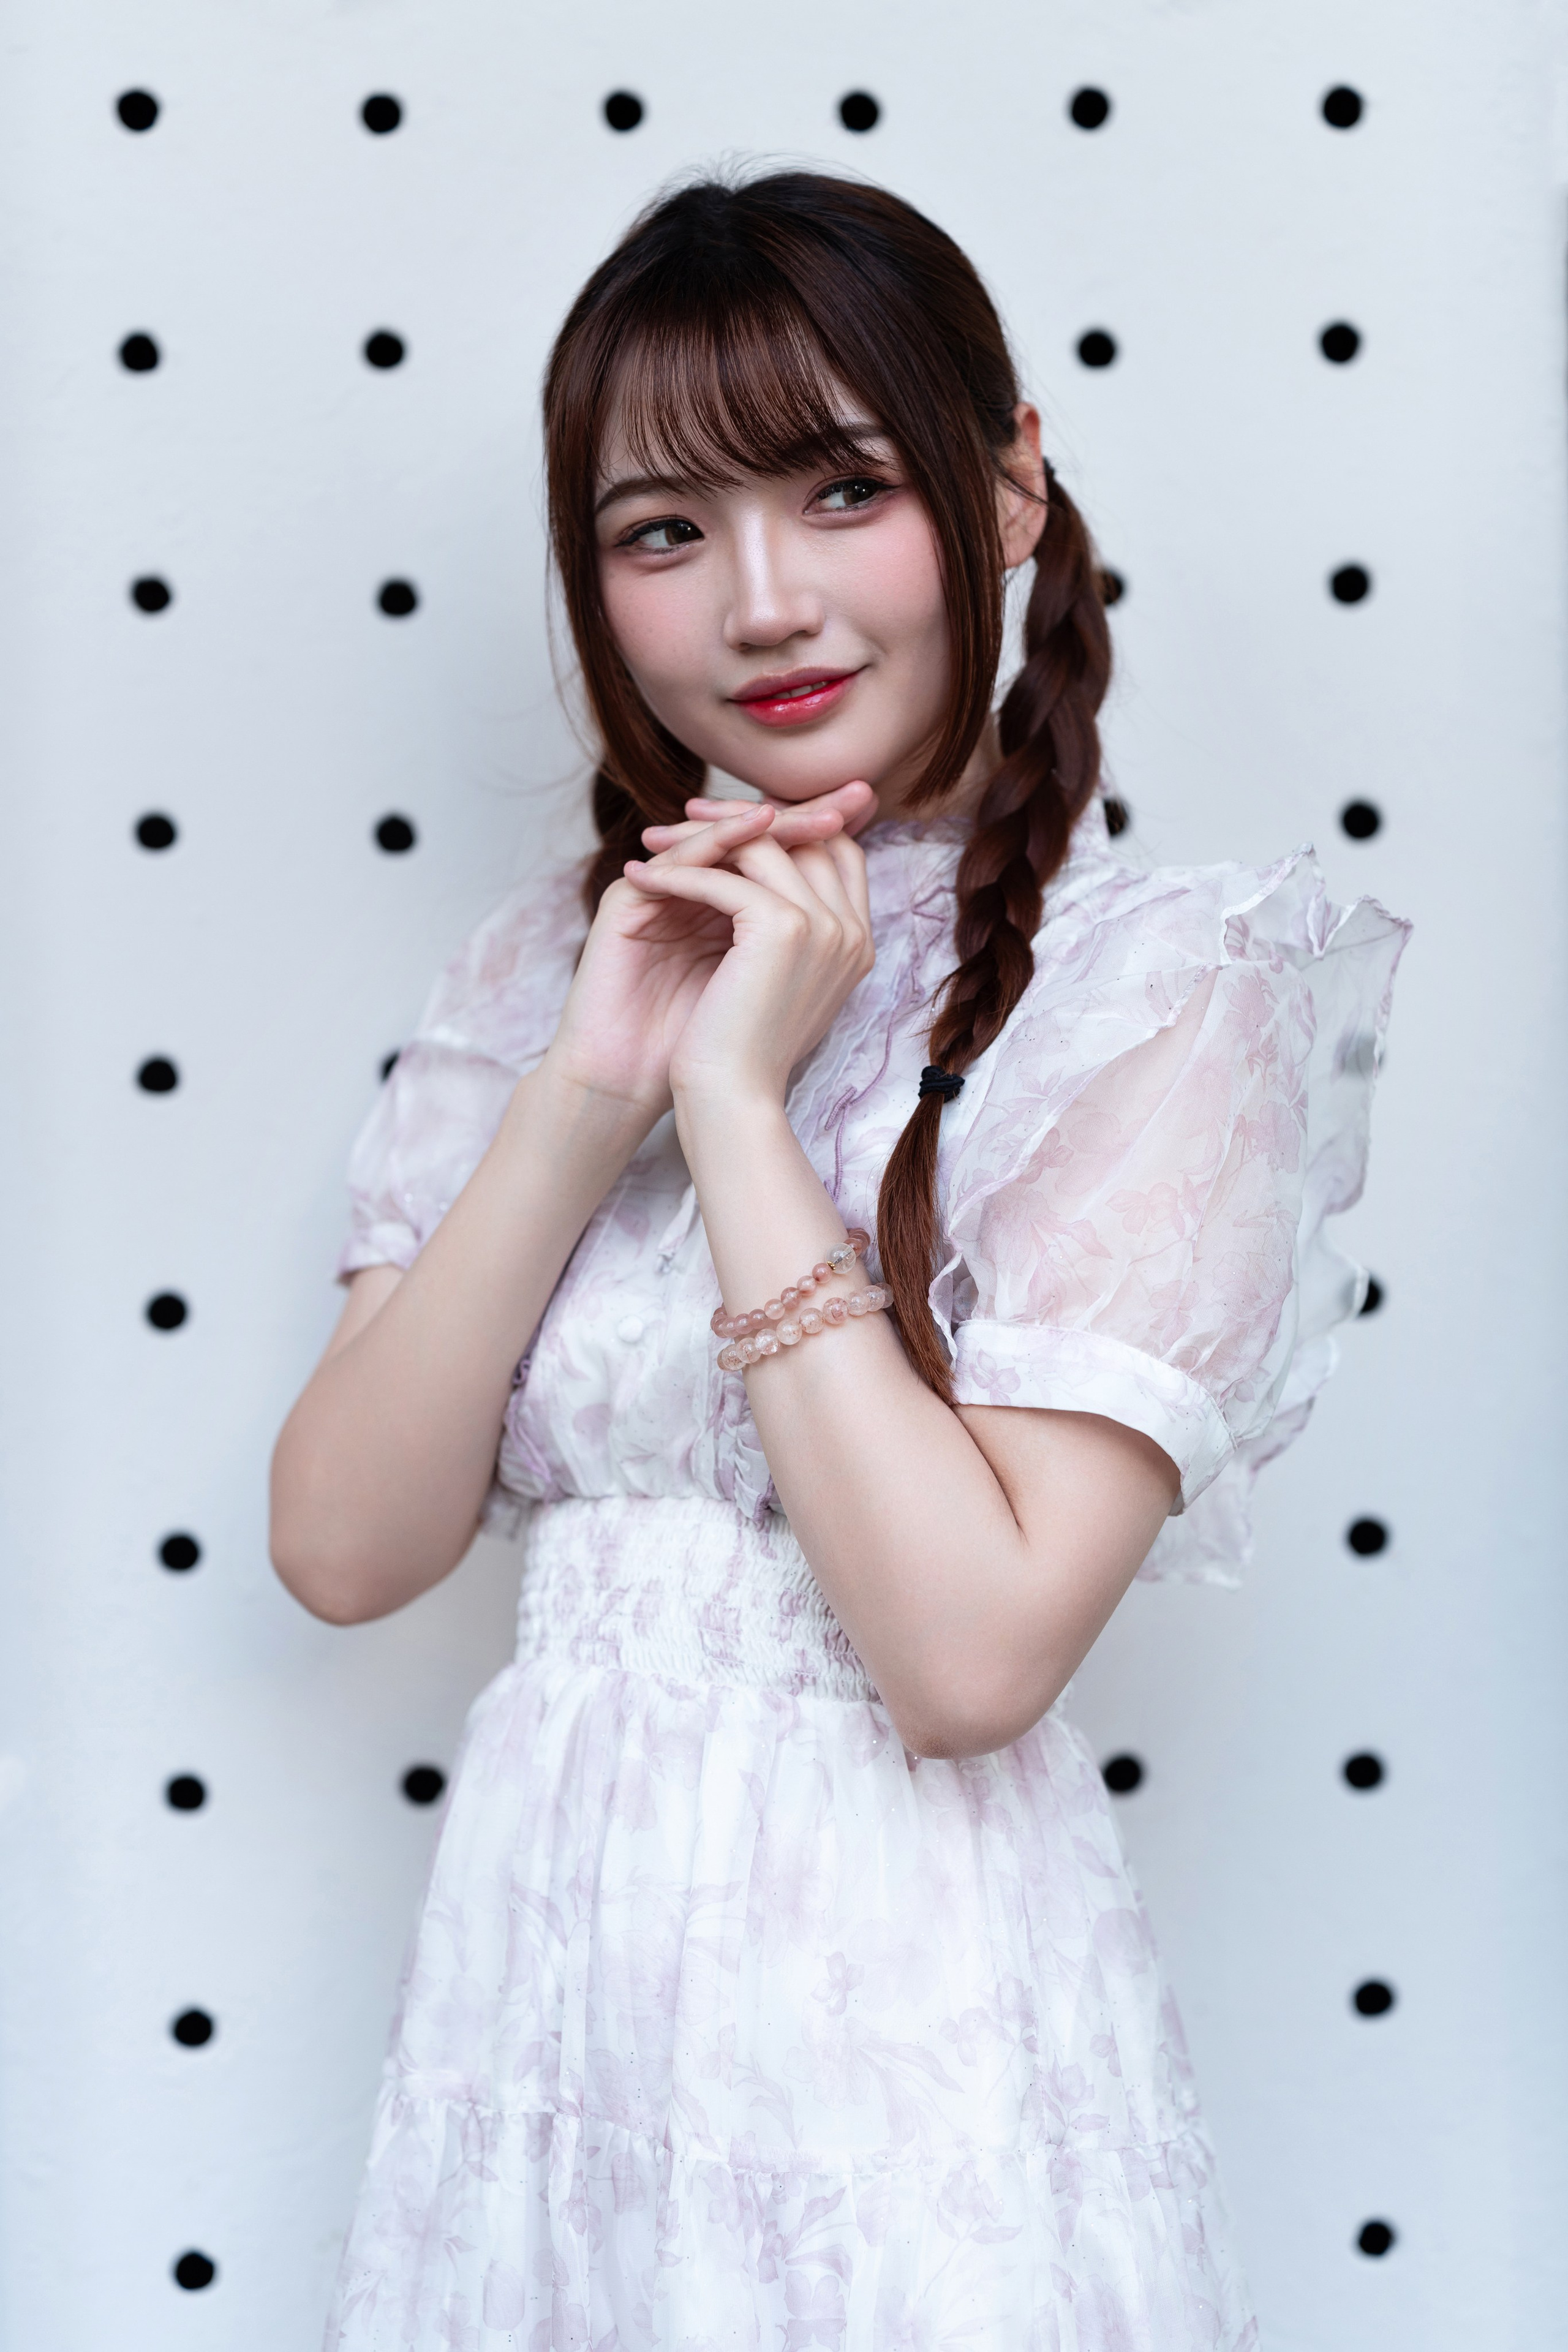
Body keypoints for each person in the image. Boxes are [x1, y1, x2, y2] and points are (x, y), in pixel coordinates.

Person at [273, 168, 1407, 2350]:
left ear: (1003, 492)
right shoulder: (550, 969)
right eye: (663, 532)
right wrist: (594, 1082)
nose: (762, 604)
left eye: (841, 490)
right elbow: (341, 1544)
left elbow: (969, 1661)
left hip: (904, 2064)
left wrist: (739, 1106)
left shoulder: (1157, 990)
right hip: (547, 2045)